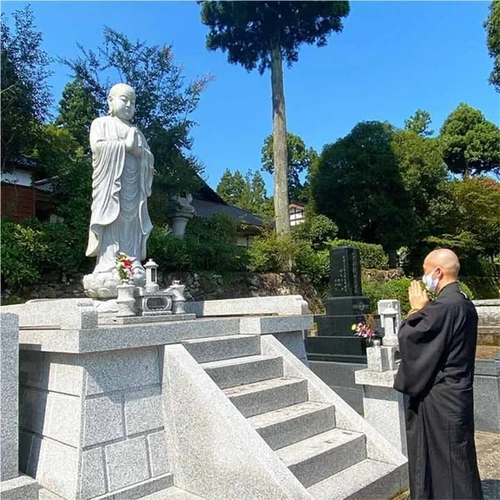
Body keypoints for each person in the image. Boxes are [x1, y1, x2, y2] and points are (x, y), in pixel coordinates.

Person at [394, 248, 483, 500]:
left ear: (438, 272)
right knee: (456, 458)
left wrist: (416, 310)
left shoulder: (442, 307)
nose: (423, 278)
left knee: (447, 464)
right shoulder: (463, 302)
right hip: (458, 392)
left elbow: (411, 338)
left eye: (424, 270)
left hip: (440, 398)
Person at [83, 83, 155, 298]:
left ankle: (132, 263)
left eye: (133, 102)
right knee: (112, 221)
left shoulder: (137, 132)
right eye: (125, 99)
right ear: (110, 100)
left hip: (134, 191)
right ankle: (108, 266)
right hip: (111, 190)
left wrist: (139, 152)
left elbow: (149, 159)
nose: (129, 105)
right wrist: (124, 146)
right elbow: (97, 148)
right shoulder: (101, 123)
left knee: (132, 224)